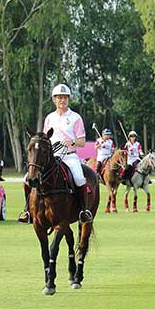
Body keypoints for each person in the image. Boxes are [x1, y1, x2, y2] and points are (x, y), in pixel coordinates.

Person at [19, 84, 93, 223]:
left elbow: (82, 142)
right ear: (54, 100)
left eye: (65, 98)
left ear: (68, 99)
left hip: (69, 156)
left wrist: (71, 142)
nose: (62, 100)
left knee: (79, 179)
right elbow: (46, 137)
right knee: (27, 179)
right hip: (51, 157)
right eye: (59, 98)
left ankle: (83, 211)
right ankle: (28, 211)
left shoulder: (75, 117)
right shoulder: (49, 118)